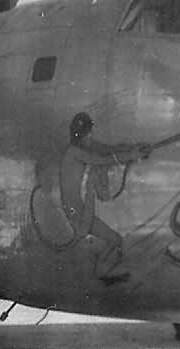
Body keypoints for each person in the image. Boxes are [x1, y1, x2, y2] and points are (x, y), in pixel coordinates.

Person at [60, 113, 149, 283]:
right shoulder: (74, 153)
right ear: (81, 134)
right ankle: (99, 273)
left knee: (116, 240)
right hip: (78, 213)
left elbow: (110, 149)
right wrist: (132, 155)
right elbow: (102, 159)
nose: (91, 137)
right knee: (115, 239)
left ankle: (101, 273)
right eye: (89, 133)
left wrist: (135, 147)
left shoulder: (84, 146)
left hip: (80, 210)